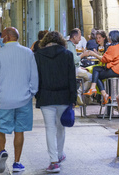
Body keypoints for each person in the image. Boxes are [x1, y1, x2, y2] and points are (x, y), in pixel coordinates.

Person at [0, 27, 39, 173]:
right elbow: (34, 76)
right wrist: (32, 92)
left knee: (0, 128)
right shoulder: (28, 52)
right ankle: (17, 163)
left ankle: (2, 151)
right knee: (19, 131)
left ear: (6, 37)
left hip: (4, 99)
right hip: (24, 99)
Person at [34, 31, 77, 173]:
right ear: (61, 41)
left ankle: (53, 161)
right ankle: (59, 154)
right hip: (64, 96)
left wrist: (38, 95)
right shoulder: (68, 55)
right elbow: (72, 78)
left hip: (46, 96)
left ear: (45, 41)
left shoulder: (38, 55)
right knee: (60, 127)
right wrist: (73, 98)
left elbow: (37, 77)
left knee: (49, 128)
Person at [84, 30, 119, 104]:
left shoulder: (112, 47)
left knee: (95, 73)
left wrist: (94, 54)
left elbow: (104, 59)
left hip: (115, 70)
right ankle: (102, 93)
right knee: (96, 71)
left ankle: (99, 91)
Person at [66, 28, 91, 102]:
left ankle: (86, 97)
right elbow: (74, 60)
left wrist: (79, 66)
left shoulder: (69, 44)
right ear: (74, 37)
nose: (80, 40)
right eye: (79, 37)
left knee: (86, 76)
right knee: (92, 77)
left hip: (74, 68)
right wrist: (83, 55)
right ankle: (79, 92)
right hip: (73, 70)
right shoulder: (70, 45)